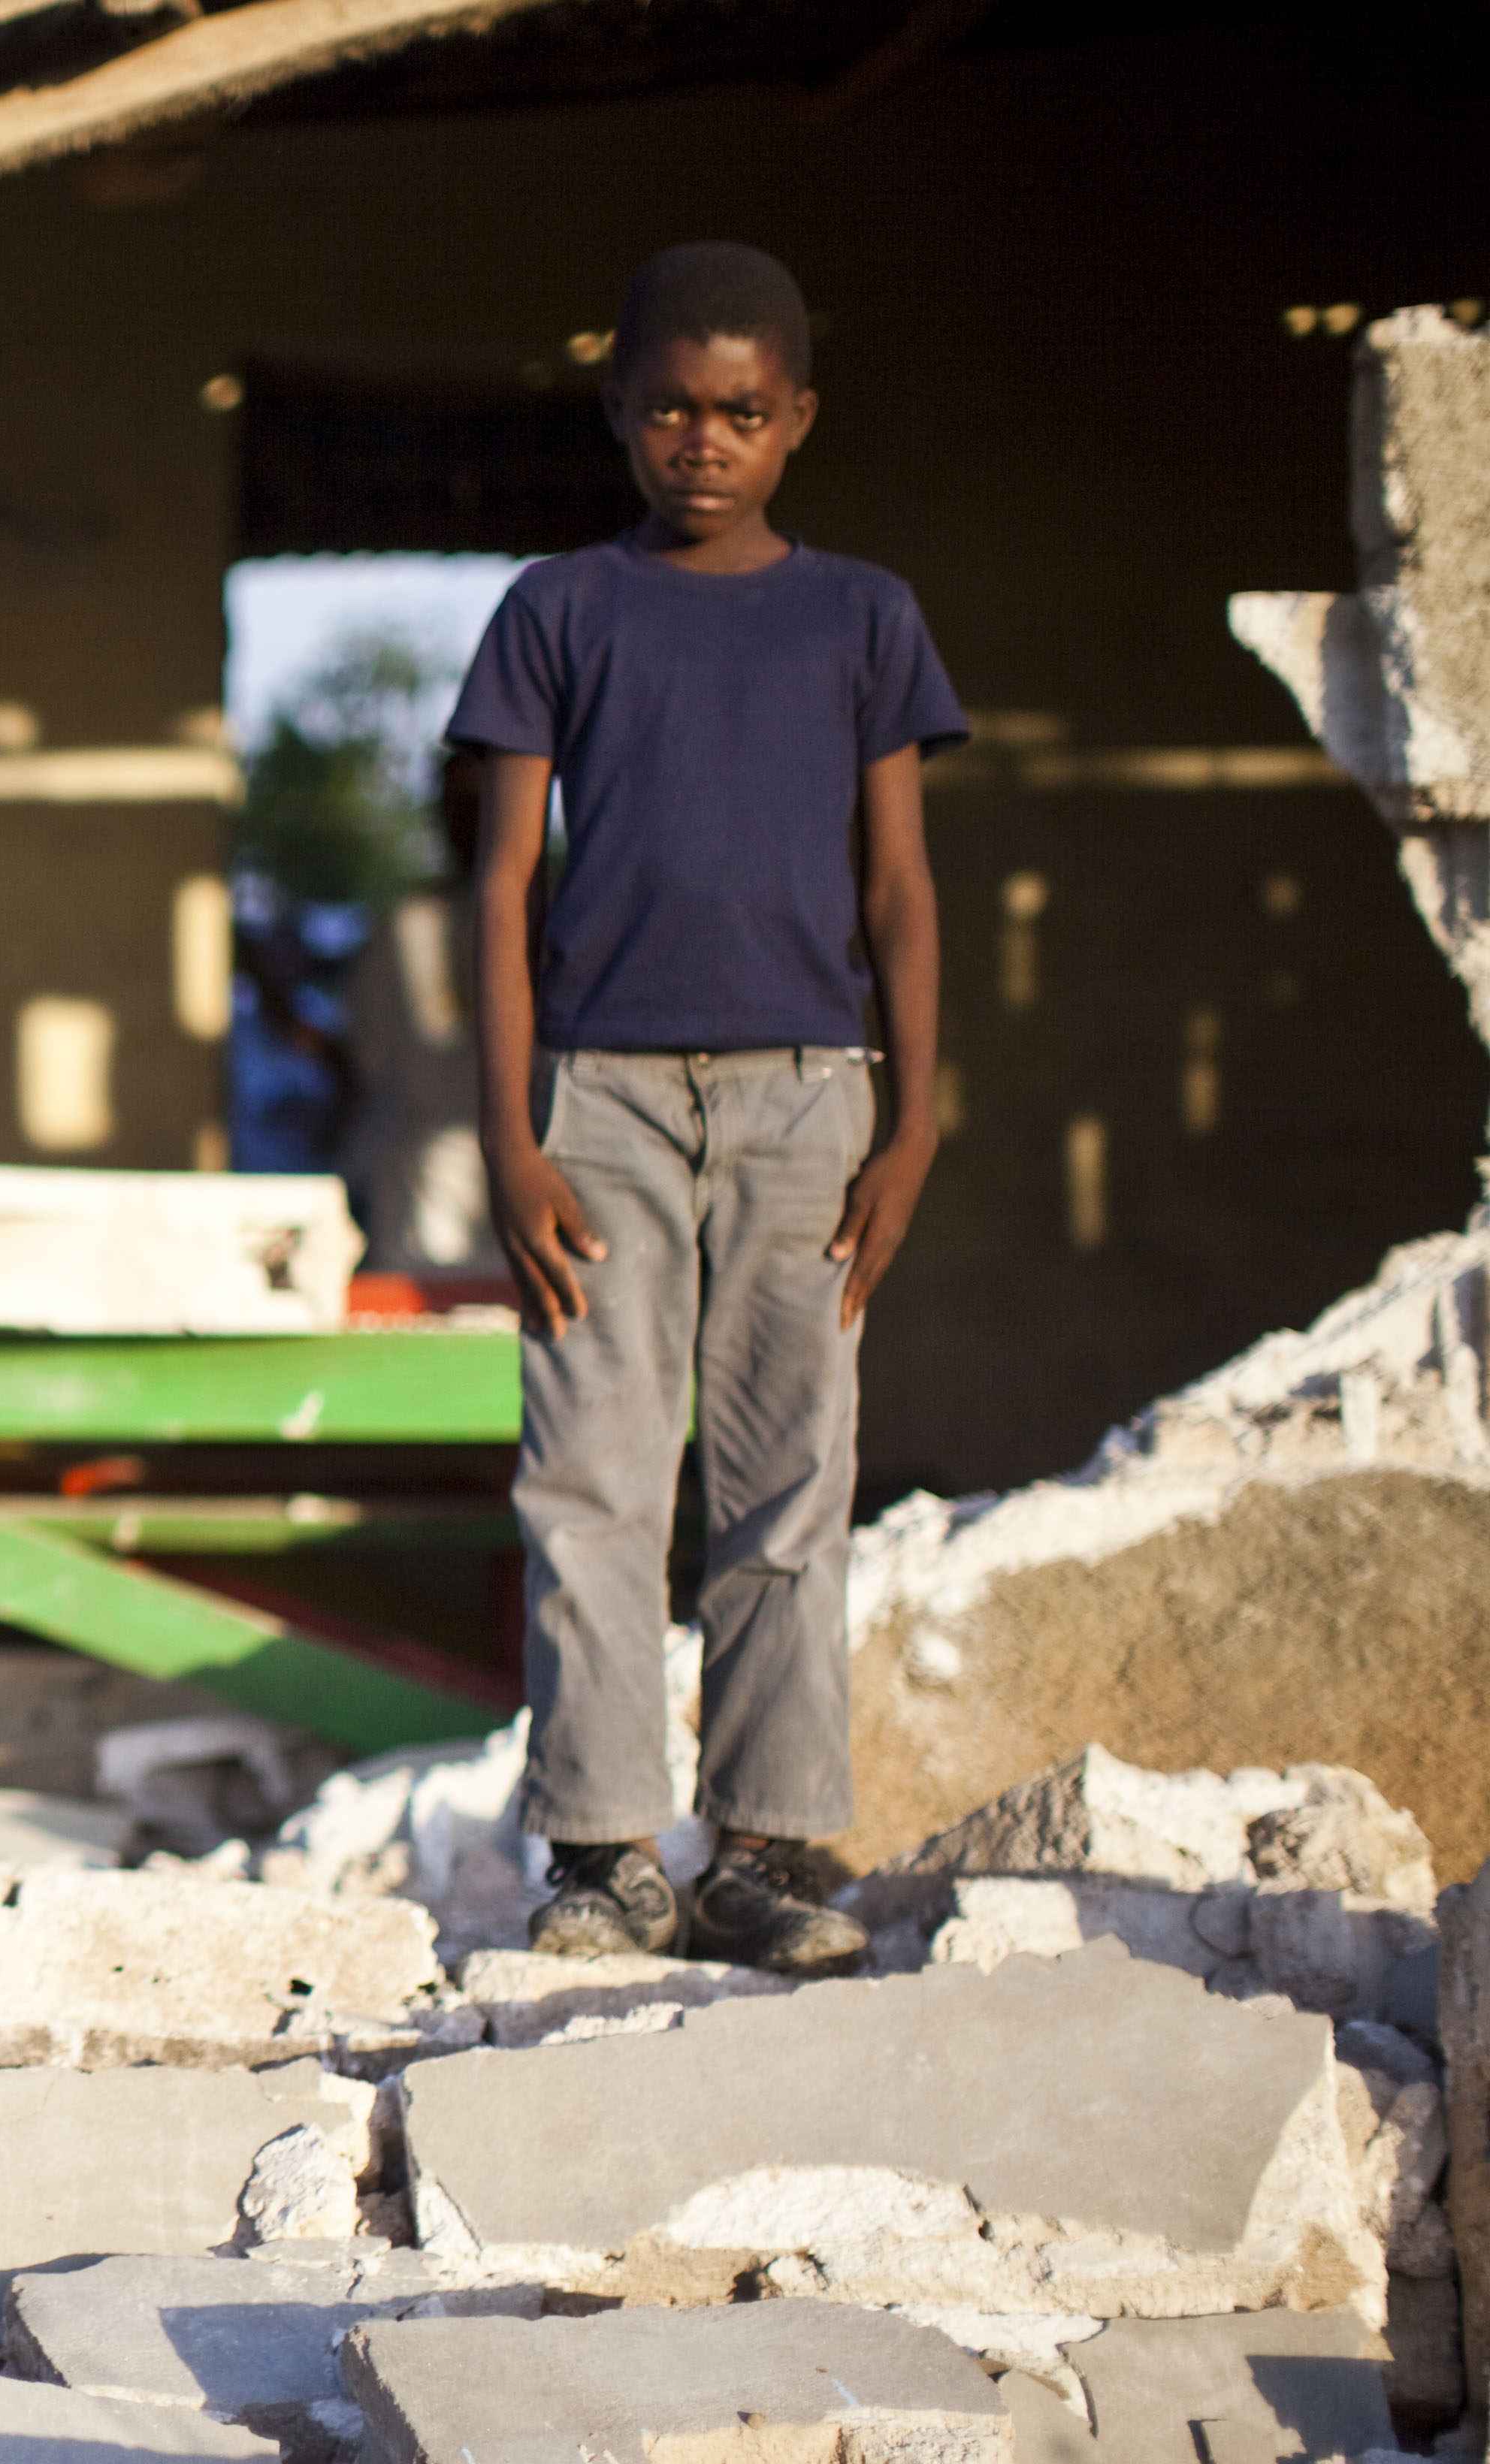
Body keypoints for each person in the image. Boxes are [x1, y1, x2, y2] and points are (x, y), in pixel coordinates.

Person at [449, 241, 964, 1976]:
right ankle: (602, 1856)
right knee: (590, 1480)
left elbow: (899, 887)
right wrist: (513, 1137)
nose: (705, 441)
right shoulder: (559, 611)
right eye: (669, 408)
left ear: (799, 418)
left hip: (811, 1099)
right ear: (620, 411)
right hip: (597, 1102)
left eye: (743, 411)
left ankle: (766, 1853)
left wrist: (913, 1123)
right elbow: (504, 884)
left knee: (787, 1483)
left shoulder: (862, 616)